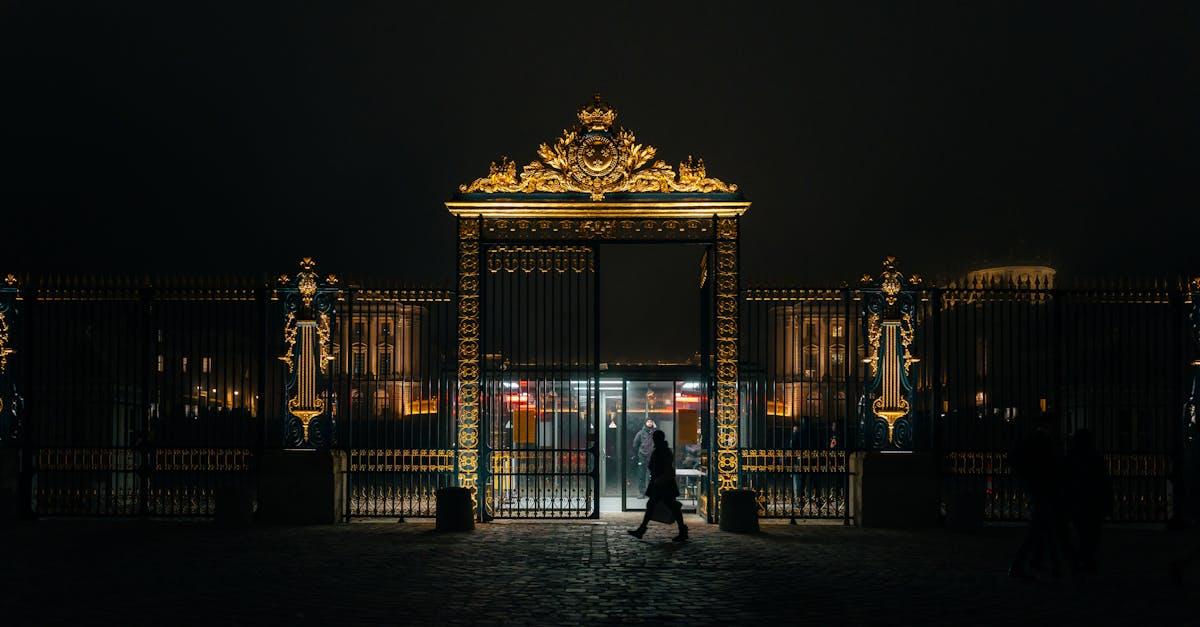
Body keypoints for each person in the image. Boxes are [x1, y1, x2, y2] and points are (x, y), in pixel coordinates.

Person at [1009, 413, 1066, 578]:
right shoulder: (1043, 441)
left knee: (1042, 529)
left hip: (1038, 488)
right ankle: (1024, 564)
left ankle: (1037, 563)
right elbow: (1050, 467)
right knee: (1041, 530)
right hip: (1043, 489)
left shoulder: (1034, 440)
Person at [627, 430, 689, 542]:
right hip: (664, 482)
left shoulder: (661, 451)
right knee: (669, 506)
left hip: (661, 483)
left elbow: (660, 466)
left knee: (661, 506)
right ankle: (682, 530)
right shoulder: (664, 450)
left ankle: (642, 530)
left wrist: (658, 478)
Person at [1065, 428, 1111, 572]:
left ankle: (1083, 559)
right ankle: (1087, 559)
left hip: (1079, 501)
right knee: (1092, 534)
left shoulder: (1072, 457)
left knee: (1083, 533)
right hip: (1093, 501)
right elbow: (1104, 481)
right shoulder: (1095, 457)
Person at [631, 419, 657, 495]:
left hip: (652, 457)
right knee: (641, 475)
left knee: (652, 475)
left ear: (653, 423)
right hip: (642, 456)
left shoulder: (654, 433)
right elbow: (635, 444)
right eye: (648, 421)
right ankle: (641, 493)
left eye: (651, 421)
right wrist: (640, 452)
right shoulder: (641, 433)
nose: (650, 423)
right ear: (645, 423)